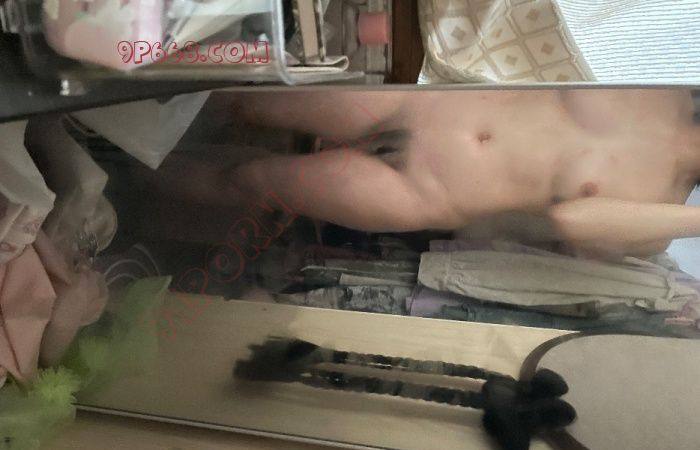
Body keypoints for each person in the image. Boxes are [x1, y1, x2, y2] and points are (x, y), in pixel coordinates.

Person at [163, 89, 700, 258]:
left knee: (250, 180)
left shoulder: (660, 222)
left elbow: (572, 221)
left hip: (428, 194)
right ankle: (129, 97)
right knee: (247, 100)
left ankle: (122, 168)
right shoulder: (665, 75)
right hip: (428, 99)